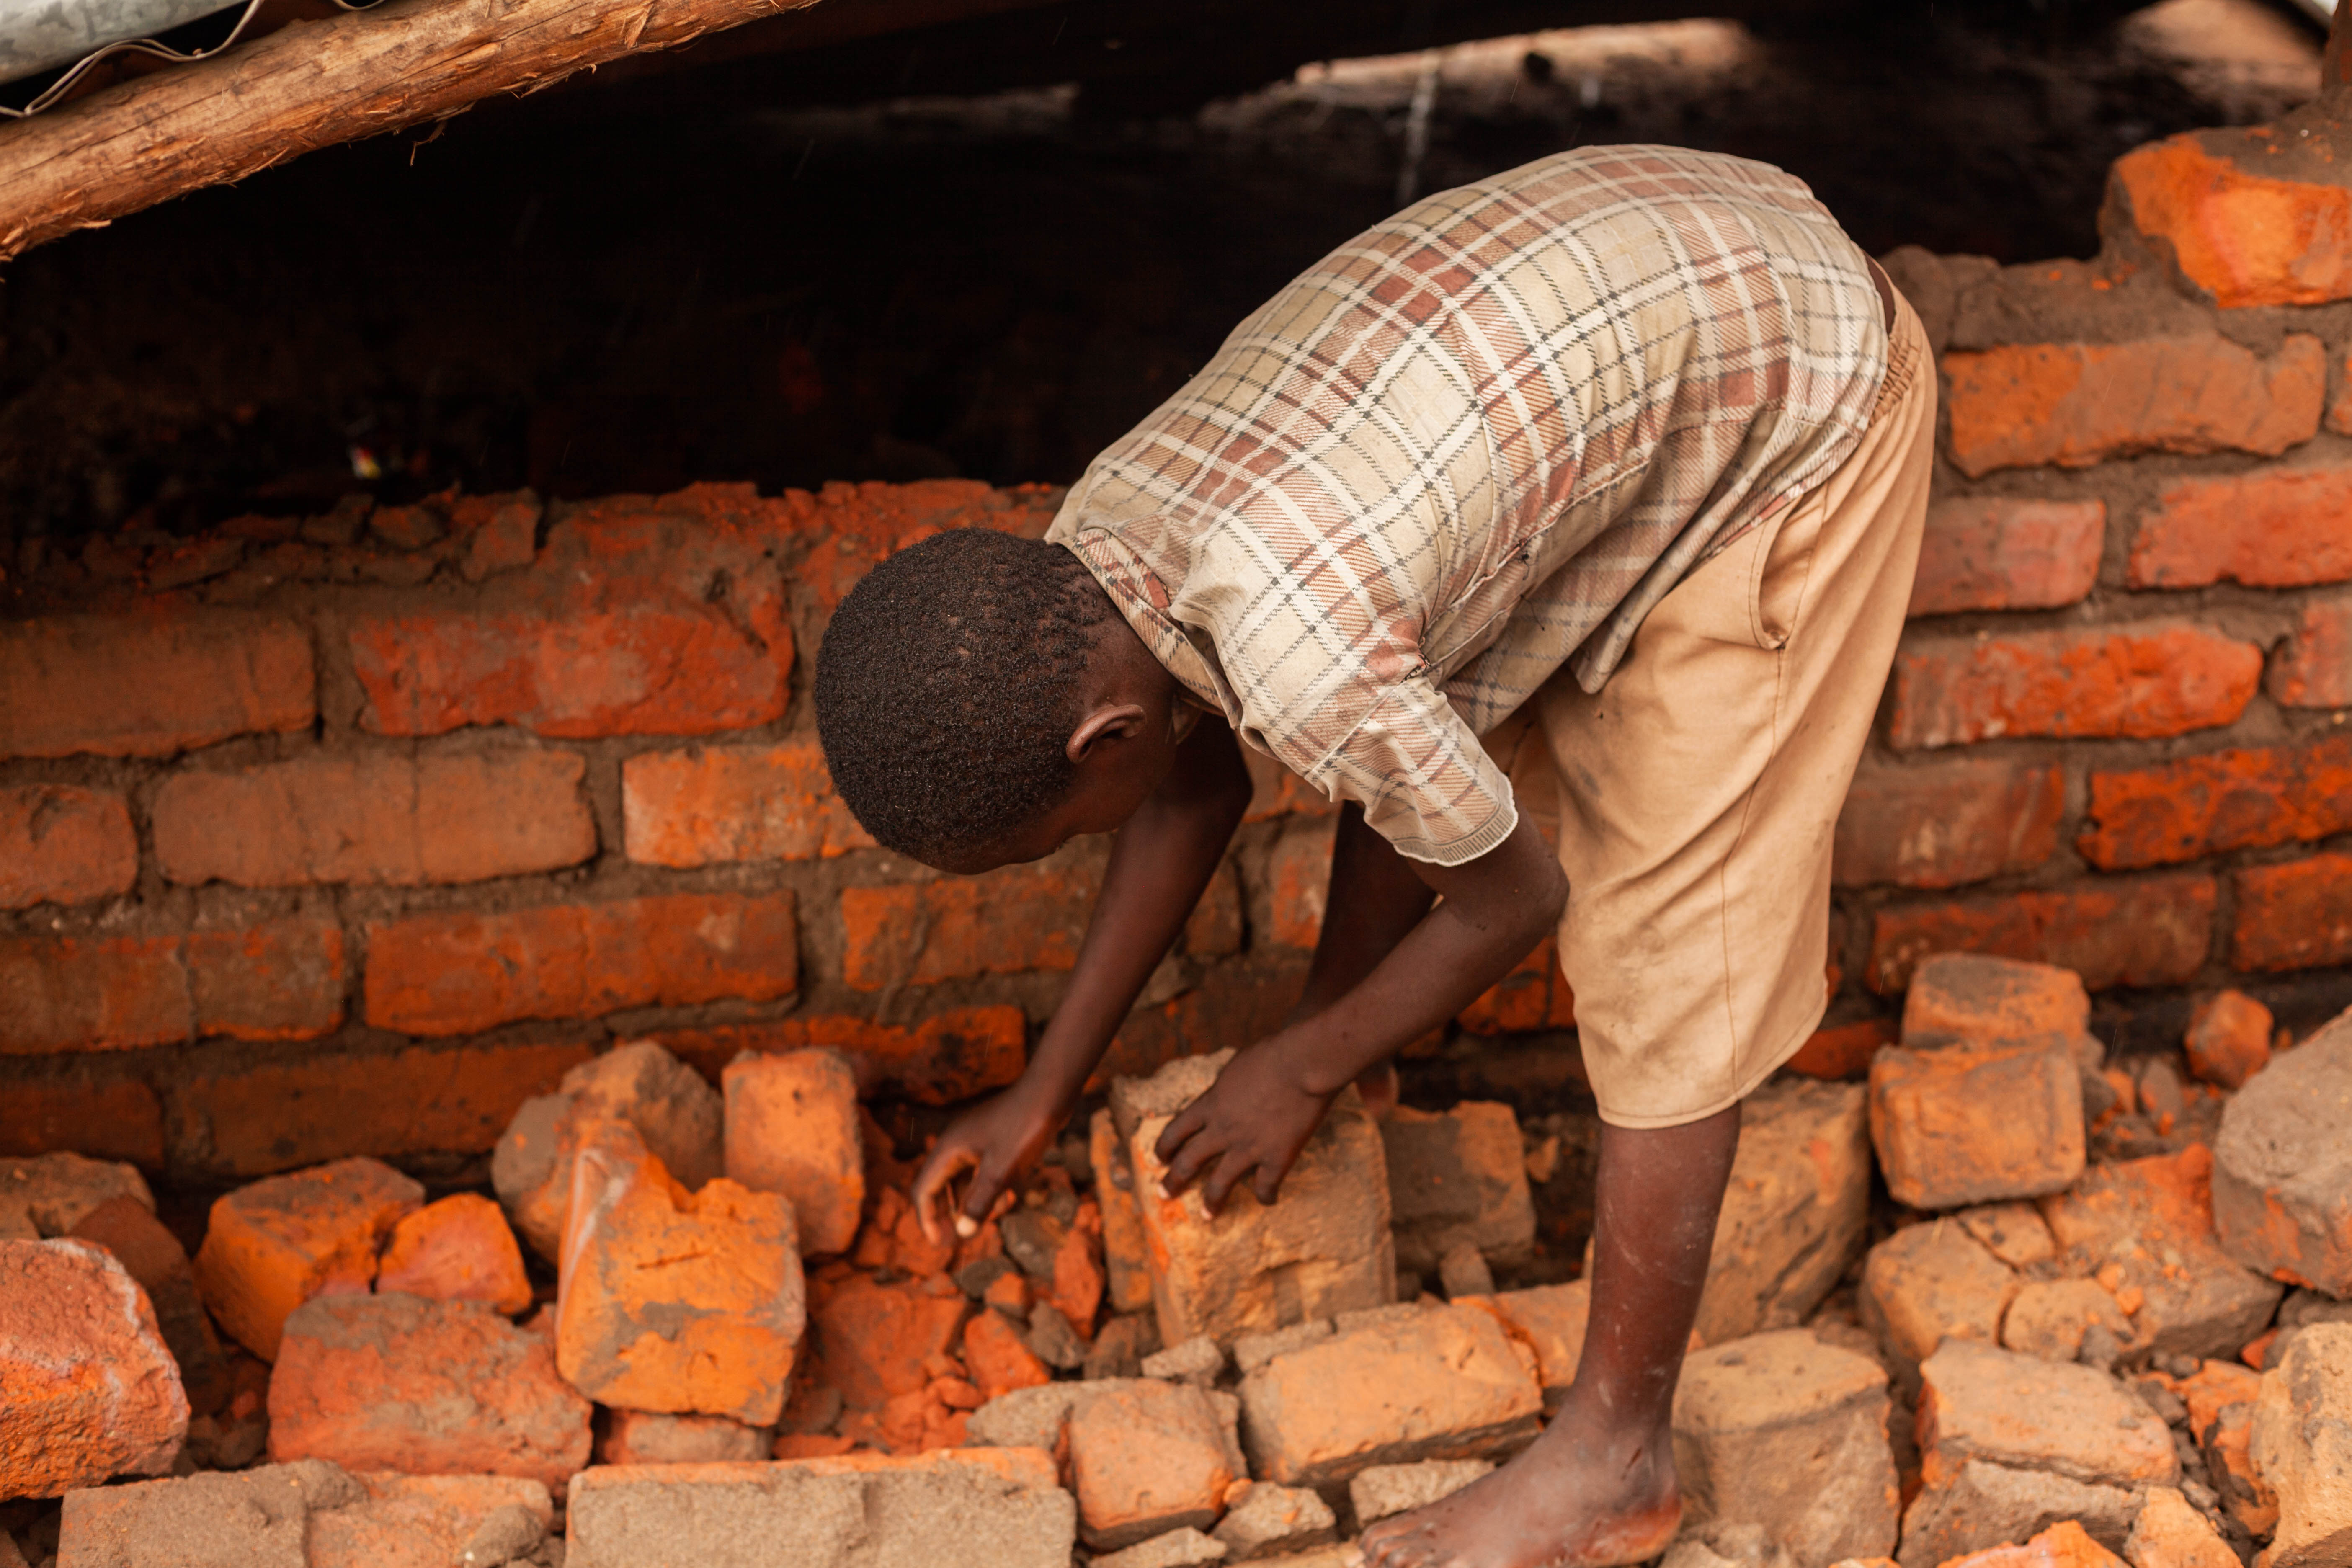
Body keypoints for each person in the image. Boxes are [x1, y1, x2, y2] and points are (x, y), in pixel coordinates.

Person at [813, 143, 1933, 1568]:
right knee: (1421, 747)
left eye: (1058, 833)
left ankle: (1615, 1457)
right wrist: (1046, 1090)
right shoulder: (1096, 546)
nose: (1089, 834)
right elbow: (1193, 785)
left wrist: (1297, 1065)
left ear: (1101, 739)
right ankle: (1364, 1051)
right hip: (1677, 250)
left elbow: (1517, 891)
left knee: (1667, 943)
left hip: (1804, 400)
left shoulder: (1302, 649)